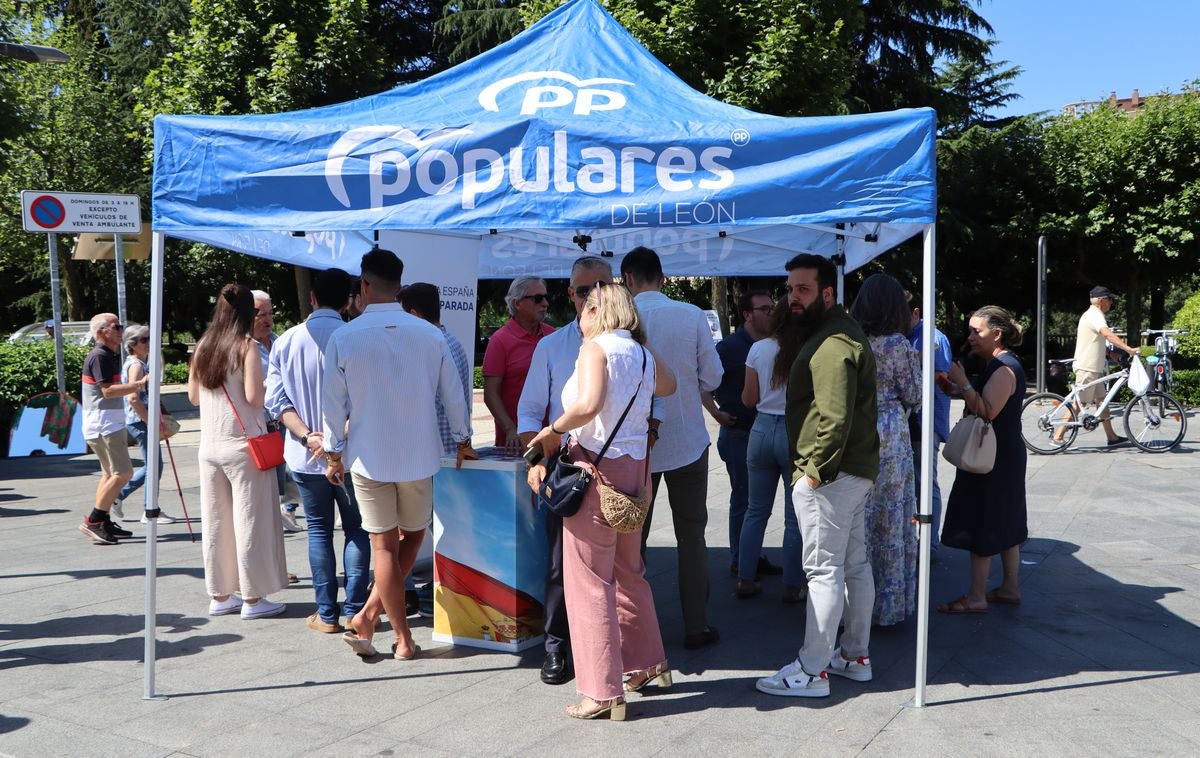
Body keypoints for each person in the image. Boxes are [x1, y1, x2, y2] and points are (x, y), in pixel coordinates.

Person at [526, 280, 677, 721]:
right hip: (634, 471)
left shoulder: (595, 349)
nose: (579, 317)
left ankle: (601, 690)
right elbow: (668, 386)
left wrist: (552, 430)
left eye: (585, 309)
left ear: (596, 311)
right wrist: (638, 342)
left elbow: (588, 405)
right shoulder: (641, 352)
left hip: (595, 469)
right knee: (630, 571)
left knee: (590, 582)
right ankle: (649, 663)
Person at [324, 249, 477, 661]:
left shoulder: (344, 336)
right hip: (419, 454)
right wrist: (463, 439)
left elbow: (333, 405)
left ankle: (391, 630)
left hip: (368, 457)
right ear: (399, 283)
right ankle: (387, 630)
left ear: (364, 284)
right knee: (411, 536)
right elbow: (454, 395)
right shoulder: (430, 334)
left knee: (384, 547)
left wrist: (333, 453)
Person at [757, 254, 879, 699]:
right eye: (790, 289)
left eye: (803, 289)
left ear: (828, 292)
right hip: (849, 472)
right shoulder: (836, 332)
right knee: (853, 566)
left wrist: (814, 473)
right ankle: (854, 656)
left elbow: (834, 416)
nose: (793, 297)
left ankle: (812, 671)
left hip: (833, 476)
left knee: (824, 570)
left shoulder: (831, 342)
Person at [516, 256, 614, 685]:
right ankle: (557, 646)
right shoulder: (552, 347)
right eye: (583, 290)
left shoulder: (632, 343)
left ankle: (615, 648)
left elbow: (657, 401)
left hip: (618, 469)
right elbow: (529, 412)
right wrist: (537, 460)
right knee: (561, 563)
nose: (593, 297)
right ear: (571, 294)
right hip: (568, 469)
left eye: (601, 287)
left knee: (622, 565)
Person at [621, 246, 723, 650]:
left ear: (628, 279)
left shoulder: (620, 320)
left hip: (636, 446)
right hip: (687, 440)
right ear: (662, 279)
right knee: (692, 537)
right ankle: (696, 624)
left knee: (633, 542)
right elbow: (713, 376)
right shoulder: (691, 315)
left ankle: (636, 630)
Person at [266, 268, 370, 635]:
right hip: (353, 456)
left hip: (305, 456)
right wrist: (333, 440)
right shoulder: (358, 338)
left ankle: (327, 613)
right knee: (357, 530)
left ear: (312, 297)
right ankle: (355, 611)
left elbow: (276, 402)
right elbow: (365, 402)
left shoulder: (286, 341)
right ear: (349, 300)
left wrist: (309, 437)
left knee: (319, 532)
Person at [188, 284, 289, 619]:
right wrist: (267, 384)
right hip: (245, 447)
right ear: (248, 312)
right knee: (251, 521)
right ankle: (253, 599)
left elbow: (193, 397)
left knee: (216, 523)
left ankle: (220, 595)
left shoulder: (203, 345)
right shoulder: (245, 346)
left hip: (209, 446)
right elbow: (255, 399)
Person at [938, 306, 1028, 613]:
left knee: (985, 520)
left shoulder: (1004, 368)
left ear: (997, 334)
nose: (971, 337)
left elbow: (988, 410)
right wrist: (956, 387)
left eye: (977, 331)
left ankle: (976, 597)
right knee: (1006, 519)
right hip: (1002, 454)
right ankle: (1009, 589)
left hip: (994, 457)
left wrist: (963, 382)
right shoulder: (999, 364)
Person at [850, 274, 921, 626]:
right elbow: (914, 395)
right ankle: (886, 606)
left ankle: (853, 605)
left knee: (857, 517)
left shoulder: (849, 339)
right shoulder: (898, 344)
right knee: (890, 517)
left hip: (855, 427)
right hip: (890, 432)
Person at [704, 289, 784, 583]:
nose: (771, 313)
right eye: (765, 309)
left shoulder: (771, 345)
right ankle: (740, 560)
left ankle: (752, 557)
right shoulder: (729, 348)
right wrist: (715, 414)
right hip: (738, 433)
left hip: (760, 432)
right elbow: (702, 382)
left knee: (757, 503)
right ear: (747, 314)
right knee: (743, 500)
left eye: (772, 307)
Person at [737, 300, 806, 603]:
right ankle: (791, 585)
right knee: (794, 515)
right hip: (793, 431)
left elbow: (748, 399)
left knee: (755, 511)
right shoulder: (805, 349)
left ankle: (745, 577)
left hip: (762, 429)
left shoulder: (758, 349)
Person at [77, 313, 148, 545]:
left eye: (121, 326)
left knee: (109, 474)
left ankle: (103, 521)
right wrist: (139, 384)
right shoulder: (100, 356)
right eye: (116, 327)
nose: (121, 330)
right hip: (105, 423)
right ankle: (94, 520)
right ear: (101, 332)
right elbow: (107, 391)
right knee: (123, 473)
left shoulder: (105, 354)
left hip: (102, 422)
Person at [112, 324, 178, 525]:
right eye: (144, 340)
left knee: (153, 466)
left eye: (150, 338)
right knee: (154, 467)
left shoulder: (138, 363)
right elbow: (133, 397)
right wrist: (150, 421)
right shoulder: (137, 365)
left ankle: (120, 496)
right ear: (132, 344)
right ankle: (149, 510)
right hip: (140, 421)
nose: (149, 343)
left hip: (138, 420)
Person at [399, 282, 472, 457]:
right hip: (451, 448)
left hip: (439, 451)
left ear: (414, 314)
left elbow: (450, 399)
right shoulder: (451, 340)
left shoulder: (433, 346)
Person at [482, 276, 554, 448]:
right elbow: (490, 394)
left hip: (553, 438)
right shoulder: (500, 340)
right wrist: (510, 429)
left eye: (546, 297)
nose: (545, 303)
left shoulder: (553, 336)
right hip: (516, 443)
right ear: (517, 303)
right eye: (538, 298)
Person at [905, 289, 952, 551]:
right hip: (909, 422)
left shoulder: (933, 338)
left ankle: (929, 543)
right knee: (912, 482)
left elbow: (942, 379)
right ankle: (915, 540)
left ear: (915, 313)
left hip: (926, 420)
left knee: (925, 482)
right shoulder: (906, 335)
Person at [253, 289, 303, 532]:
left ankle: (286, 511)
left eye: (270, 313)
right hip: (259, 427)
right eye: (260, 314)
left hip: (284, 421)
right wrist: (268, 385)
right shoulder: (242, 347)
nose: (267, 319)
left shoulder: (280, 342)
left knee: (288, 477)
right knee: (266, 485)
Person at [1067, 286, 1140, 446]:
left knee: (1102, 401)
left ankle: (1111, 437)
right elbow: (1106, 334)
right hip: (1088, 368)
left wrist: (1111, 353)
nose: (1111, 302)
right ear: (1101, 301)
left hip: (1094, 368)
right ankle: (1058, 436)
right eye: (1109, 299)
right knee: (1080, 403)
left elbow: (1095, 341)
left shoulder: (1092, 314)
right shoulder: (1095, 315)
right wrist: (1128, 348)